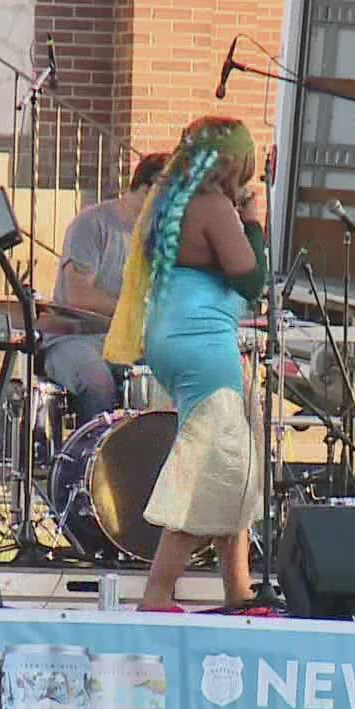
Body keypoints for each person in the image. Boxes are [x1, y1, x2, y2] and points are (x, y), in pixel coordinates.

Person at [104, 118, 267, 611]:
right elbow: (250, 280)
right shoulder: (215, 207)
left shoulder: (170, 203)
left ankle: (238, 591)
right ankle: (158, 591)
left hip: (173, 337)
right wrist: (255, 222)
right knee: (208, 464)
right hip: (203, 345)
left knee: (231, 463)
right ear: (234, 163)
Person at [39, 151, 171, 425]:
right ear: (149, 188)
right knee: (96, 381)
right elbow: (78, 295)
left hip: (127, 341)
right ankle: (94, 462)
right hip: (73, 338)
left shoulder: (158, 239)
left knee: (175, 374)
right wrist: (137, 311)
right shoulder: (92, 223)